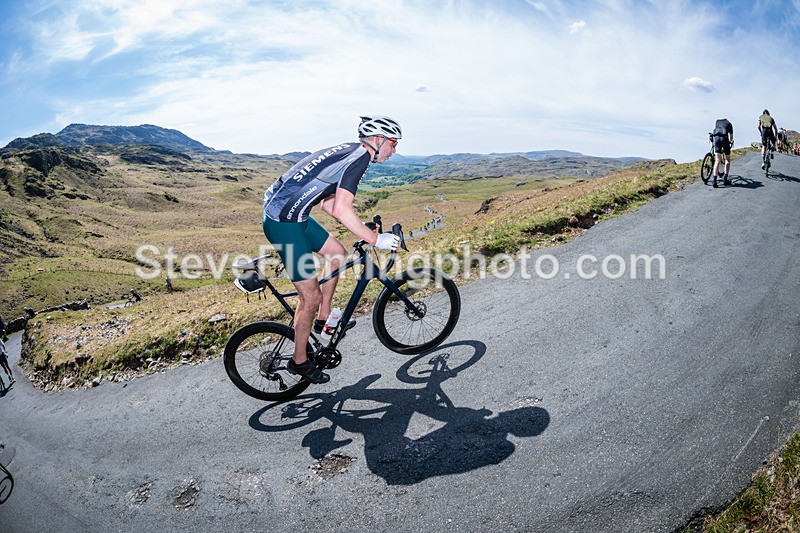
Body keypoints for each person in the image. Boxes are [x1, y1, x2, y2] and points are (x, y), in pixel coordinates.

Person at [261, 115, 403, 383]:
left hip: (294, 215)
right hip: (283, 223)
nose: (394, 151)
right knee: (309, 298)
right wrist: (376, 240)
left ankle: (323, 319)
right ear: (378, 139)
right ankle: (299, 361)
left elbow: (328, 204)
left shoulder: (350, 150)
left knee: (337, 254)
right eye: (393, 143)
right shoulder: (359, 158)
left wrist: (362, 227)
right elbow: (340, 209)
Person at [710, 118, 734, 187]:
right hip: (724, 138)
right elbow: (731, 137)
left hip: (716, 138)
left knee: (717, 160)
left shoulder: (717, 121)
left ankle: (714, 181)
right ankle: (725, 180)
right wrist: (730, 142)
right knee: (727, 159)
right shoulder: (729, 124)